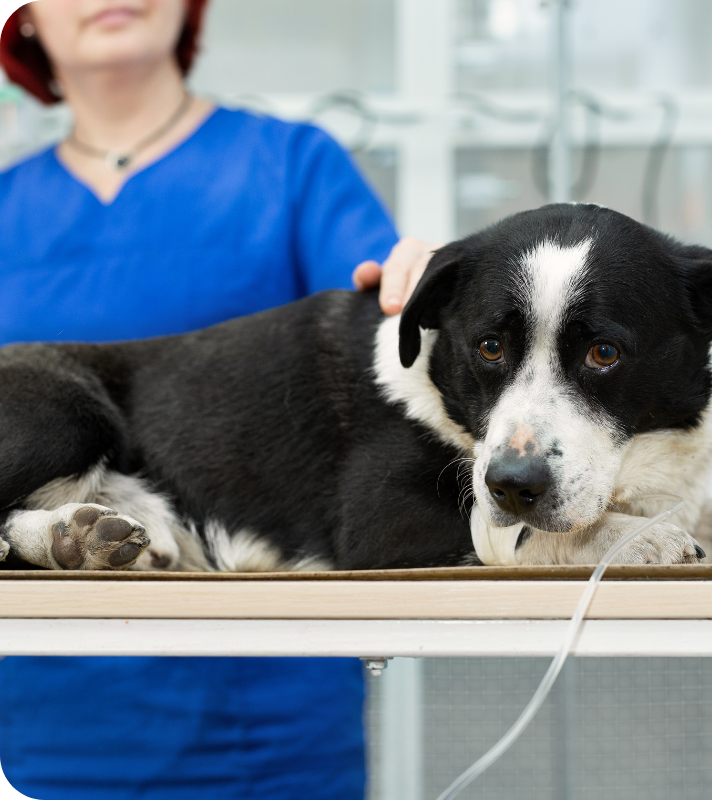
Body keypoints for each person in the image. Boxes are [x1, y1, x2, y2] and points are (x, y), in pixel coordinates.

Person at [0, 1, 434, 797]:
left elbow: (386, 344)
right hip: (44, 726)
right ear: (23, 20)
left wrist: (423, 285)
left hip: (270, 724)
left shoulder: (295, 167)